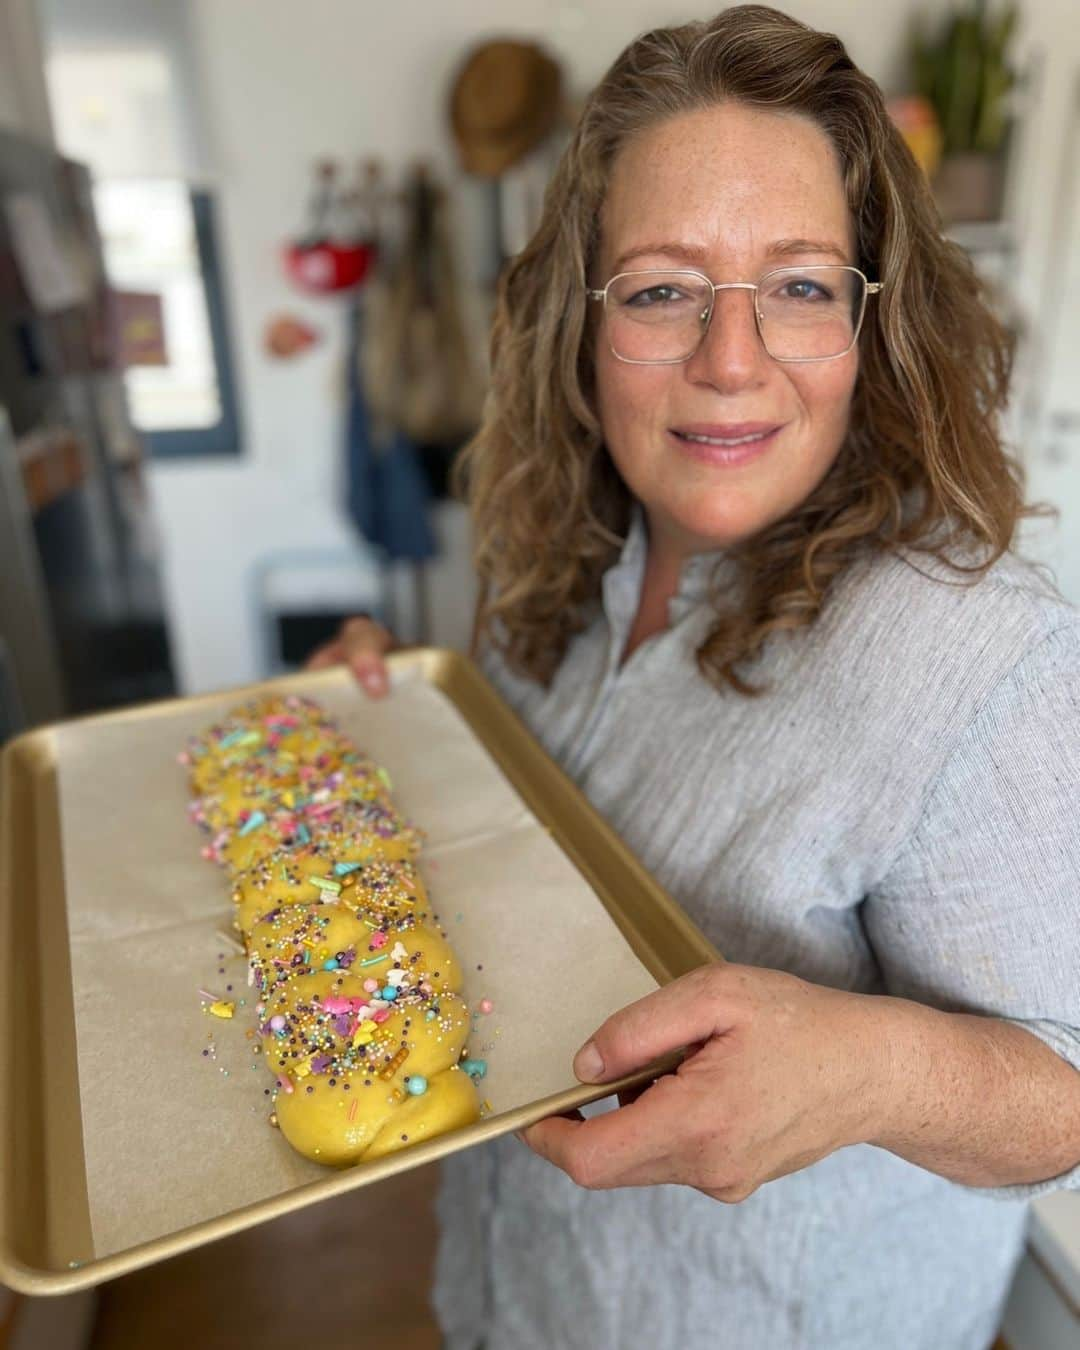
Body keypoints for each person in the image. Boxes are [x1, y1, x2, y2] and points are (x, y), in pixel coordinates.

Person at [305, 7, 1080, 1347]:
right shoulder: (545, 557)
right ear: (579, 322)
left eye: (798, 284)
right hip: (515, 1287)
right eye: (662, 287)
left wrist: (868, 1066)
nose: (732, 361)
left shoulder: (986, 655)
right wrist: (386, 734)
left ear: (873, 319)